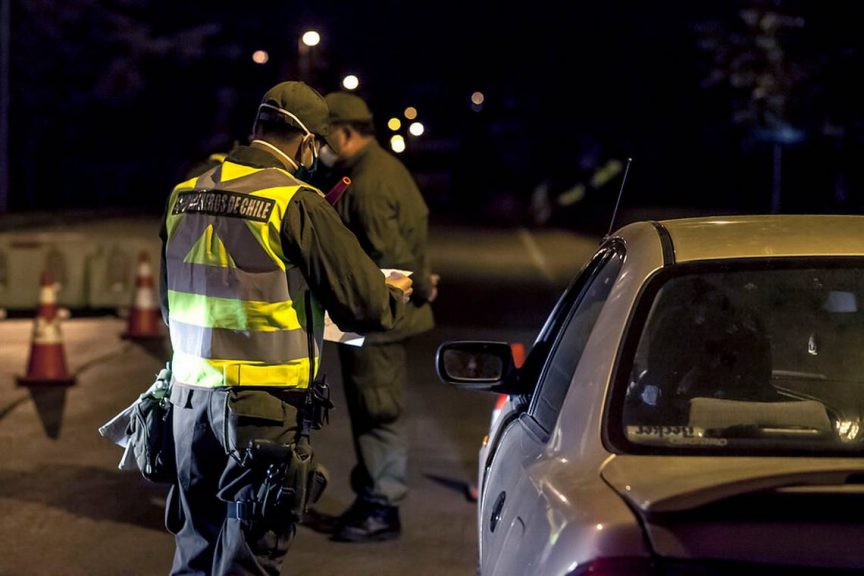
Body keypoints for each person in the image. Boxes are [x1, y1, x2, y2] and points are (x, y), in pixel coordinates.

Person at [158, 80, 413, 576]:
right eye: (315, 147)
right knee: (249, 559)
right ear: (305, 142)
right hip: (261, 411)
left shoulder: (185, 193)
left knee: (194, 551)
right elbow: (365, 305)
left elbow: (172, 306)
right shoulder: (295, 202)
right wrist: (395, 293)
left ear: (256, 128)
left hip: (188, 404)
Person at [316, 91, 438, 542]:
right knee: (371, 410)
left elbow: (391, 260)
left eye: (325, 137)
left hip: (379, 323)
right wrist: (423, 284)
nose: (321, 147)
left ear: (346, 132)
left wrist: (417, 285)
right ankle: (372, 496)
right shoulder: (377, 171)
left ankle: (382, 507)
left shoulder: (367, 184)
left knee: (378, 412)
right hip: (376, 320)